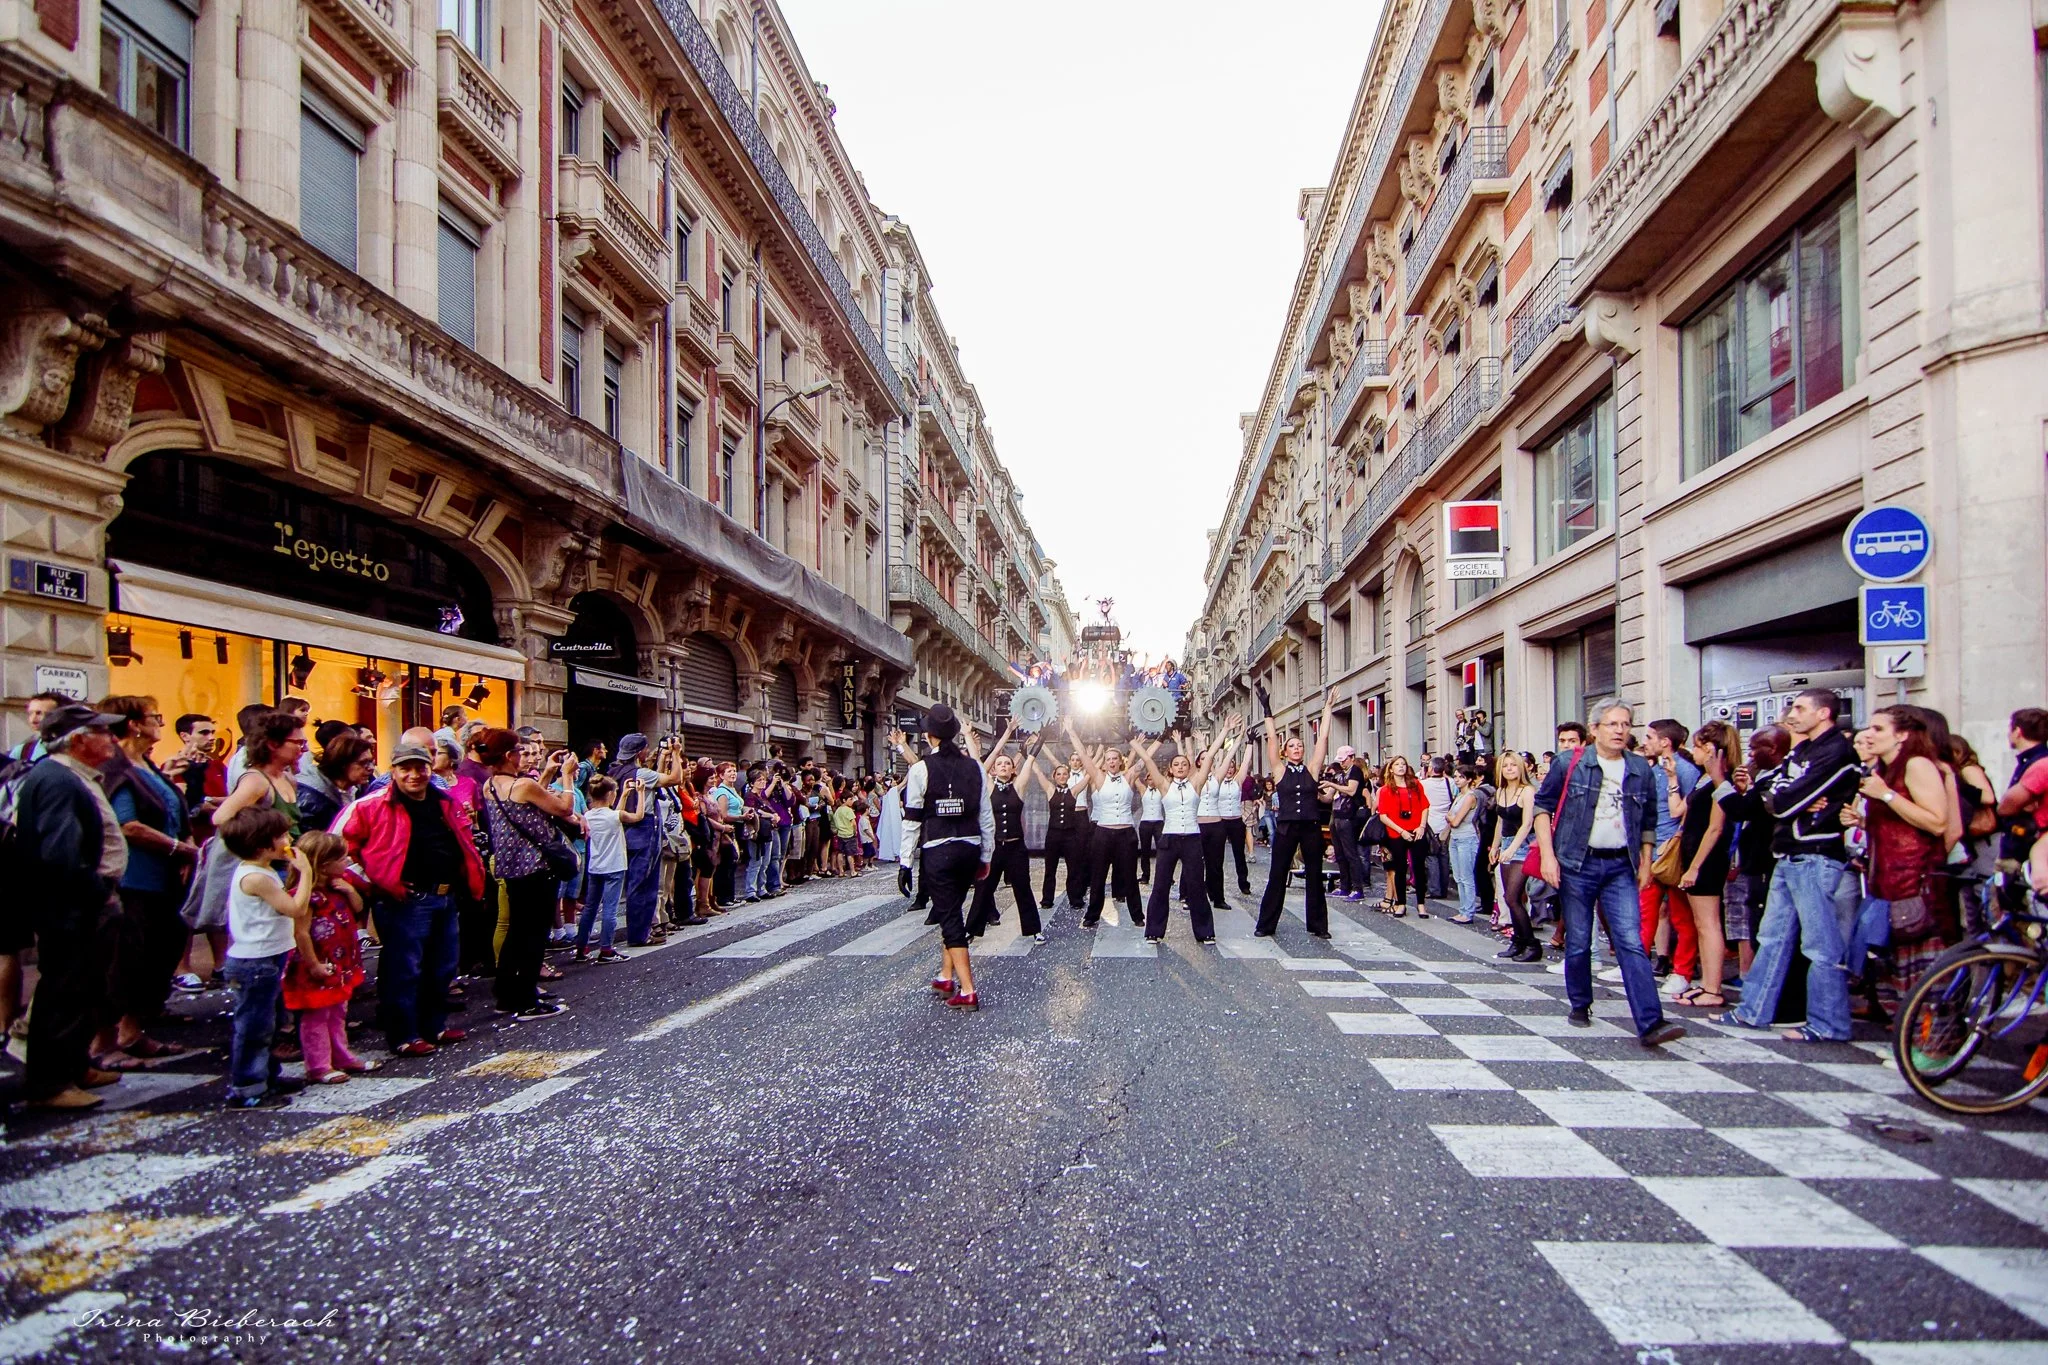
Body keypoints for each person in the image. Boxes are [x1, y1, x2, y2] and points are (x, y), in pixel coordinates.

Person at [1532, 700, 1684, 1047]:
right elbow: (1543, 808)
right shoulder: (1570, 763)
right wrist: (1549, 858)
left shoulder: (1639, 768)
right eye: (1613, 724)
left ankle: (1650, 1022)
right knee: (1580, 938)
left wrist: (1646, 860)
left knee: (1630, 940)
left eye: (1626, 724)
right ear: (1595, 728)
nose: (1620, 730)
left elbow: (1647, 819)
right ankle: (1581, 1003)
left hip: (1620, 864)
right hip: (1576, 862)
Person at [1718, 689, 1864, 1042]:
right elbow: (1775, 793)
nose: (1792, 714)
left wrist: (1785, 799)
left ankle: (1829, 1024)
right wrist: (1785, 799)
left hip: (1815, 854)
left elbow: (1783, 801)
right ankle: (1753, 1011)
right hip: (1788, 854)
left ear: (1824, 712)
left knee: (1819, 945)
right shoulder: (1803, 750)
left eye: (1800, 708)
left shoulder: (1836, 752)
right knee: (1772, 937)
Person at [15, 704, 131, 1109]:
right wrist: (96, 891)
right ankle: (49, 1083)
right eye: (103, 732)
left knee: (85, 988)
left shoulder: (74, 776)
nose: (112, 740)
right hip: (72, 908)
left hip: (85, 903)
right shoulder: (58, 780)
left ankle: (74, 1064)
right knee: (64, 989)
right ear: (79, 741)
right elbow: (60, 853)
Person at [342, 742, 484, 1056]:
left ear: (429, 768)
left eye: (419, 768)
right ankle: (404, 1035)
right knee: (404, 970)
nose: (414, 775)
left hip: (445, 895)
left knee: (443, 966)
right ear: (393, 772)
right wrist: (375, 881)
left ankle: (433, 1025)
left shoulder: (444, 800)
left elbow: (463, 840)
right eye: (405, 769)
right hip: (404, 899)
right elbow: (344, 848)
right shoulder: (372, 805)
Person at [94, 694, 197, 1072]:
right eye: (155, 717)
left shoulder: (148, 766)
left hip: (164, 880)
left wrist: (184, 843)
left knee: (157, 954)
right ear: (134, 724)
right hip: (133, 880)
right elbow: (128, 825)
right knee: (124, 959)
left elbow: (172, 812)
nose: (160, 723)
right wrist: (178, 849)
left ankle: (133, 1030)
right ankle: (103, 1041)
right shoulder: (118, 769)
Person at [1840, 707, 1951, 1019]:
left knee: (1923, 969)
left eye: (1878, 729)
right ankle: (1910, 1037)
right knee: (1897, 966)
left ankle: (1932, 1045)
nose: (1869, 735)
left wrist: (1886, 796)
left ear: (1902, 735)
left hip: (1917, 882)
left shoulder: (1917, 765)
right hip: (1887, 883)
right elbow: (1899, 824)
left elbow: (1937, 822)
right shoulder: (1886, 770)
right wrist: (1862, 820)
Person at [479, 729, 579, 1021]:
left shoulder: (491, 785)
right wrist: (568, 775)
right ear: (510, 756)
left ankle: (507, 994)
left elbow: (532, 800)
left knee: (515, 932)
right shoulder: (522, 785)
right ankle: (525, 1000)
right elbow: (563, 807)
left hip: (510, 868)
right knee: (534, 935)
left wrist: (547, 774)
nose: (524, 756)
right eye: (520, 752)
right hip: (536, 868)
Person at [900, 706, 993, 1011]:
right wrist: (986, 854)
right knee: (951, 908)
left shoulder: (920, 769)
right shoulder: (975, 767)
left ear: (928, 736)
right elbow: (985, 816)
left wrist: (905, 862)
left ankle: (967, 990)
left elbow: (912, 819)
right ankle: (944, 975)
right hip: (969, 847)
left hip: (938, 849)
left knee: (950, 916)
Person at [219, 807, 311, 1110]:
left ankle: (268, 1075)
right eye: (281, 836)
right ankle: (247, 1086)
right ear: (261, 845)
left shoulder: (265, 871)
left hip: (268, 957)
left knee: (270, 1022)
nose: (287, 839)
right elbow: (295, 908)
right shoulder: (256, 877)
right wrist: (306, 872)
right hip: (254, 962)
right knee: (255, 1026)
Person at [282, 831, 371, 1084]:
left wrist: (350, 889)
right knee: (316, 1016)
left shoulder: (339, 886)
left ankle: (341, 1055)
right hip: (318, 962)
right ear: (323, 864)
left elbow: (358, 908)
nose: (346, 863)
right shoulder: (305, 895)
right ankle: (318, 1064)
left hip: (340, 961)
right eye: (341, 859)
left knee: (338, 1011)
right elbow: (301, 933)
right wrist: (313, 964)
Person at [1137, 722, 1237, 944]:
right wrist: (1135, 743)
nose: (1181, 767)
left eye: (1184, 764)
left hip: (1192, 838)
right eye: (1176, 764)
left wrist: (1225, 731)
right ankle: (1154, 931)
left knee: (1196, 885)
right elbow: (1147, 761)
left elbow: (1209, 755)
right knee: (1161, 885)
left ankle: (1205, 932)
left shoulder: (1197, 783)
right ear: (1170, 769)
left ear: (1189, 766)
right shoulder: (1164, 785)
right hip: (1169, 839)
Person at [1671, 722, 1741, 1010]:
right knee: (1702, 924)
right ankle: (1707, 984)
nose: (1694, 752)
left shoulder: (1720, 781)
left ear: (1711, 749)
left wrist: (1695, 867)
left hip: (1707, 859)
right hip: (1695, 854)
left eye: (1699, 746)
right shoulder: (1704, 779)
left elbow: (1715, 828)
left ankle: (1713, 987)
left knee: (1709, 924)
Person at [1254, 693, 1335, 941]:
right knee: (1278, 873)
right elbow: (1270, 739)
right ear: (1285, 751)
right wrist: (1268, 710)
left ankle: (1318, 925)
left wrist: (1328, 709)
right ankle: (1266, 925)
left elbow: (1322, 738)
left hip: (1310, 827)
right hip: (1287, 827)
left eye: (1300, 745)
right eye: (1292, 746)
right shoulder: (1279, 770)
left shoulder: (1312, 769)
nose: (1297, 748)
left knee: (1314, 874)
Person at [1722, 725, 1791, 985]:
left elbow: (1741, 810)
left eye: (1754, 748)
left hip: (1763, 860)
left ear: (1773, 749)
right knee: (1752, 921)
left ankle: (1761, 981)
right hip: (1753, 859)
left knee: (1760, 923)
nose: (1749, 755)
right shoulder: (1763, 777)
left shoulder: (1777, 779)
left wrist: (1721, 783)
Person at [1640, 718, 1703, 997]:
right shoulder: (1655, 770)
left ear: (1665, 742)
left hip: (1673, 849)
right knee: (1645, 909)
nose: (1646, 741)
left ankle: (1682, 971)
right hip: (1652, 846)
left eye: (1650, 737)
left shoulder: (1686, 771)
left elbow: (1690, 812)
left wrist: (1675, 839)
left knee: (1680, 913)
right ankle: (1636, 963)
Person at [1065, 718, 1143, 929]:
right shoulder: (1099, 778)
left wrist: (1134, 739)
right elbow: (1082, 755)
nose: (1111, 761)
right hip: (1103, 833)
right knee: (1098, 875)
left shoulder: (1128, 776)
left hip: (1126, 833)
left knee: (1129, 876)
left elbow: (1146, 758)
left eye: (1114, 758)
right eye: (1108, 759)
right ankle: (1092, 915)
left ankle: (1137, 915)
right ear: (1105, 762)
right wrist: (1072, 731)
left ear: (1120, 761)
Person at [967, 733, 1044, 944]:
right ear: (994, 769)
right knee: (983, 889)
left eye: (1006, 764)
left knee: (1023, 888)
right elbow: (977, 765)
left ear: (1012, 769)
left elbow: (1030, 760)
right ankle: (971, 930)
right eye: (999, 763)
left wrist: (1041, 739)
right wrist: (967, 736)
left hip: (1016, 848)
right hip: (993, 848)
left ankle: (1034, 930)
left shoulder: (1018, 787)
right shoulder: (989, 787)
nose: (1002, 766)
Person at [574, 773, 641, 963]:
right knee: (610, 909)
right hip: (615, 866)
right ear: (610, 794)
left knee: (590, 908)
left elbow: (615, 817)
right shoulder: (614, 816)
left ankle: (581, 947)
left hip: (595, 866)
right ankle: (606, 949)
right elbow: (638, 816)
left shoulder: (588, 815)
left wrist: (625, 795)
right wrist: (641, 794)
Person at [1489, 752, 1538, 959]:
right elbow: (1500, 822)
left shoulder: (1527, 791)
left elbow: (1527, 824)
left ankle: (1532, 944)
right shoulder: (1500, 791)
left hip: (1524, 845)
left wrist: (1511, 850)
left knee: (1512, 897)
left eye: (1513, 765)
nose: (1509, 769)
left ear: (1521, 768)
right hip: (1507, 843)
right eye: (1505, 765)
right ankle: (1518, 941)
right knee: (1510, 898)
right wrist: (1495, 847)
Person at [1200, 732, 1254, 902]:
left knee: (1239, 854)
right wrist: (1204, 743)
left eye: (1232, 767)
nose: (1229, 769)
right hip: (1220, 821)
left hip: (1236, 820)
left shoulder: (1238, 780)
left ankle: (1243, 882)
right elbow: (1209, 760)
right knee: (1216, 857)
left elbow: (1245, 763)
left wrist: (1249, 744)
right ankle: (1212, 886)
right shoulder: (1217, 778)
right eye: (1227, 767)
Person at [1376, 756, 1430, 917]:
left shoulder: (1416, 785)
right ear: (1391, 769)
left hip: (1416, 830)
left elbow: (1425, 806)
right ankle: (1401, 903)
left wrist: (1422, 826)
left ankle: (1421, 904)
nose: (1401, 767)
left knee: (1419, 868)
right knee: (1399, 868)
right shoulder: (1385, 790)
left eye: (1403, 764)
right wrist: (1401, 831)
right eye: (1397, 764)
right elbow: (1383, 815)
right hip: (1397, 832)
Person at [1033, 756, 1088, 910]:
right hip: (1053, 835)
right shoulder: (1050, 790)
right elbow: (1038, 773)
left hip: (1071, 835)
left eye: (1065, 774)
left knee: (1074, 868)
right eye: (1059, 774)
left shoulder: (1074, 790)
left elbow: (1090, 774)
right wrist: (1029, 754)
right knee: (1050, 868)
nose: (1062, 776)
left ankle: (1075, 899)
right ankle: (1047, 899)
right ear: (1054, 776)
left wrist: (1095, 757)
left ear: (1069, 776)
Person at [298, 732, 373, 835]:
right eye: (363, 763)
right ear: (342, 763)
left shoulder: (357, 788)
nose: (370, 768)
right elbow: (311, 844)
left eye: (371, 762)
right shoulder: (311, 797)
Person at [1325, 746, 1369, 903]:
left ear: (1351, 757)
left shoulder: (1355, 771)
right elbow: (1328, 798)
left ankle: (1357, 888)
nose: (1342, 763)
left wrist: (1332, 785)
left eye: (1344, 760)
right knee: (1340, 853)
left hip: (1349, 816)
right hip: (1337, 815)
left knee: (1351, 853)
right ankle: (1345, 886)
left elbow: (1351, 790)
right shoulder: (1341, 774)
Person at [1444, 763, 1486, 926]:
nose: (1457, 780)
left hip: (1466, 837)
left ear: (1469, 779)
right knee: (1458, 875)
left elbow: (1455, 820)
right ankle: (1463, 909)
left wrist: (1449, 818)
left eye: (1461, 777)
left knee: (1466, 876)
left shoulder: (1470, 796)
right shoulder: (1459, 795)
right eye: (1455, 776)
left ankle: (1468, 911)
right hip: (1456, 838)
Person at [1422, 757, 1456, 899]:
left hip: (1430, 823)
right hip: (1445, 823)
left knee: (1431, 857)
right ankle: (1443, 887)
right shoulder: (1451, 782)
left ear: (1431, 768)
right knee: (1443, 856)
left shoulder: (1423, 784)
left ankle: (1434, 889)